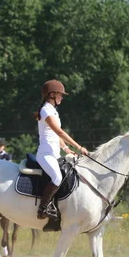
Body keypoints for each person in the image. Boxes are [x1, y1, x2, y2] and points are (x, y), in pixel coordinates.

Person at [33, 79, 88, 220]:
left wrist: (66, 149)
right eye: (60, 95)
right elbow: (60, 132)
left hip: (54, 153)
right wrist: (78, 147)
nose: (62, 97)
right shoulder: (46, 110)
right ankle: (42, 209)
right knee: (57, 178)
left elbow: (55, 136)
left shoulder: (53, 111)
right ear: (52, 95)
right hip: (45, 154)